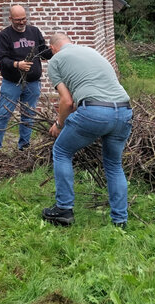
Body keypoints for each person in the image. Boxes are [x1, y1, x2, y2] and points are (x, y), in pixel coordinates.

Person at [42, 32, 133, 228]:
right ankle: (120, 221)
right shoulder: (91, 52)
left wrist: (59, 125)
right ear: (69, 42)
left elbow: (67, 101)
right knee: (114, 165)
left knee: (62, 151)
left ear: (52, 48)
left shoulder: (56, 60)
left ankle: (64, 210)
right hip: (124, 110)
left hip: (96, 111)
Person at [0, 4, 51, 155]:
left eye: (24, 19)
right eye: (18, 20)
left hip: (32, 83)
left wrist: (55, 51)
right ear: (10, 19)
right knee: (4, 114)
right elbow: (3, 60)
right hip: (12, 83)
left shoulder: (34, 31)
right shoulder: (4, 35)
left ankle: (24, 146)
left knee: (28, 115)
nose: (22, 22)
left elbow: (43, 52)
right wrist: (17, 64)